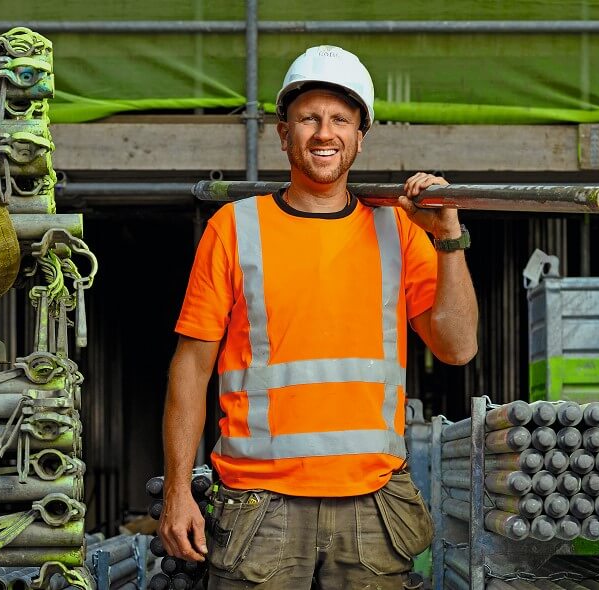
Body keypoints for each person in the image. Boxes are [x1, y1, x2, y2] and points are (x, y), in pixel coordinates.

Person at [158, 45, 479, 589]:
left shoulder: (398, 231)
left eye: (340, 120)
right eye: (309, 118)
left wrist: (447, 236)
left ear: (359, 136)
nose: (324, 133)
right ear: (283, 134)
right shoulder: (234, 228)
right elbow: (191, 368)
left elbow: (458, 347)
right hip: (258, 508)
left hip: (371, 507)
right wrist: (177, 490)